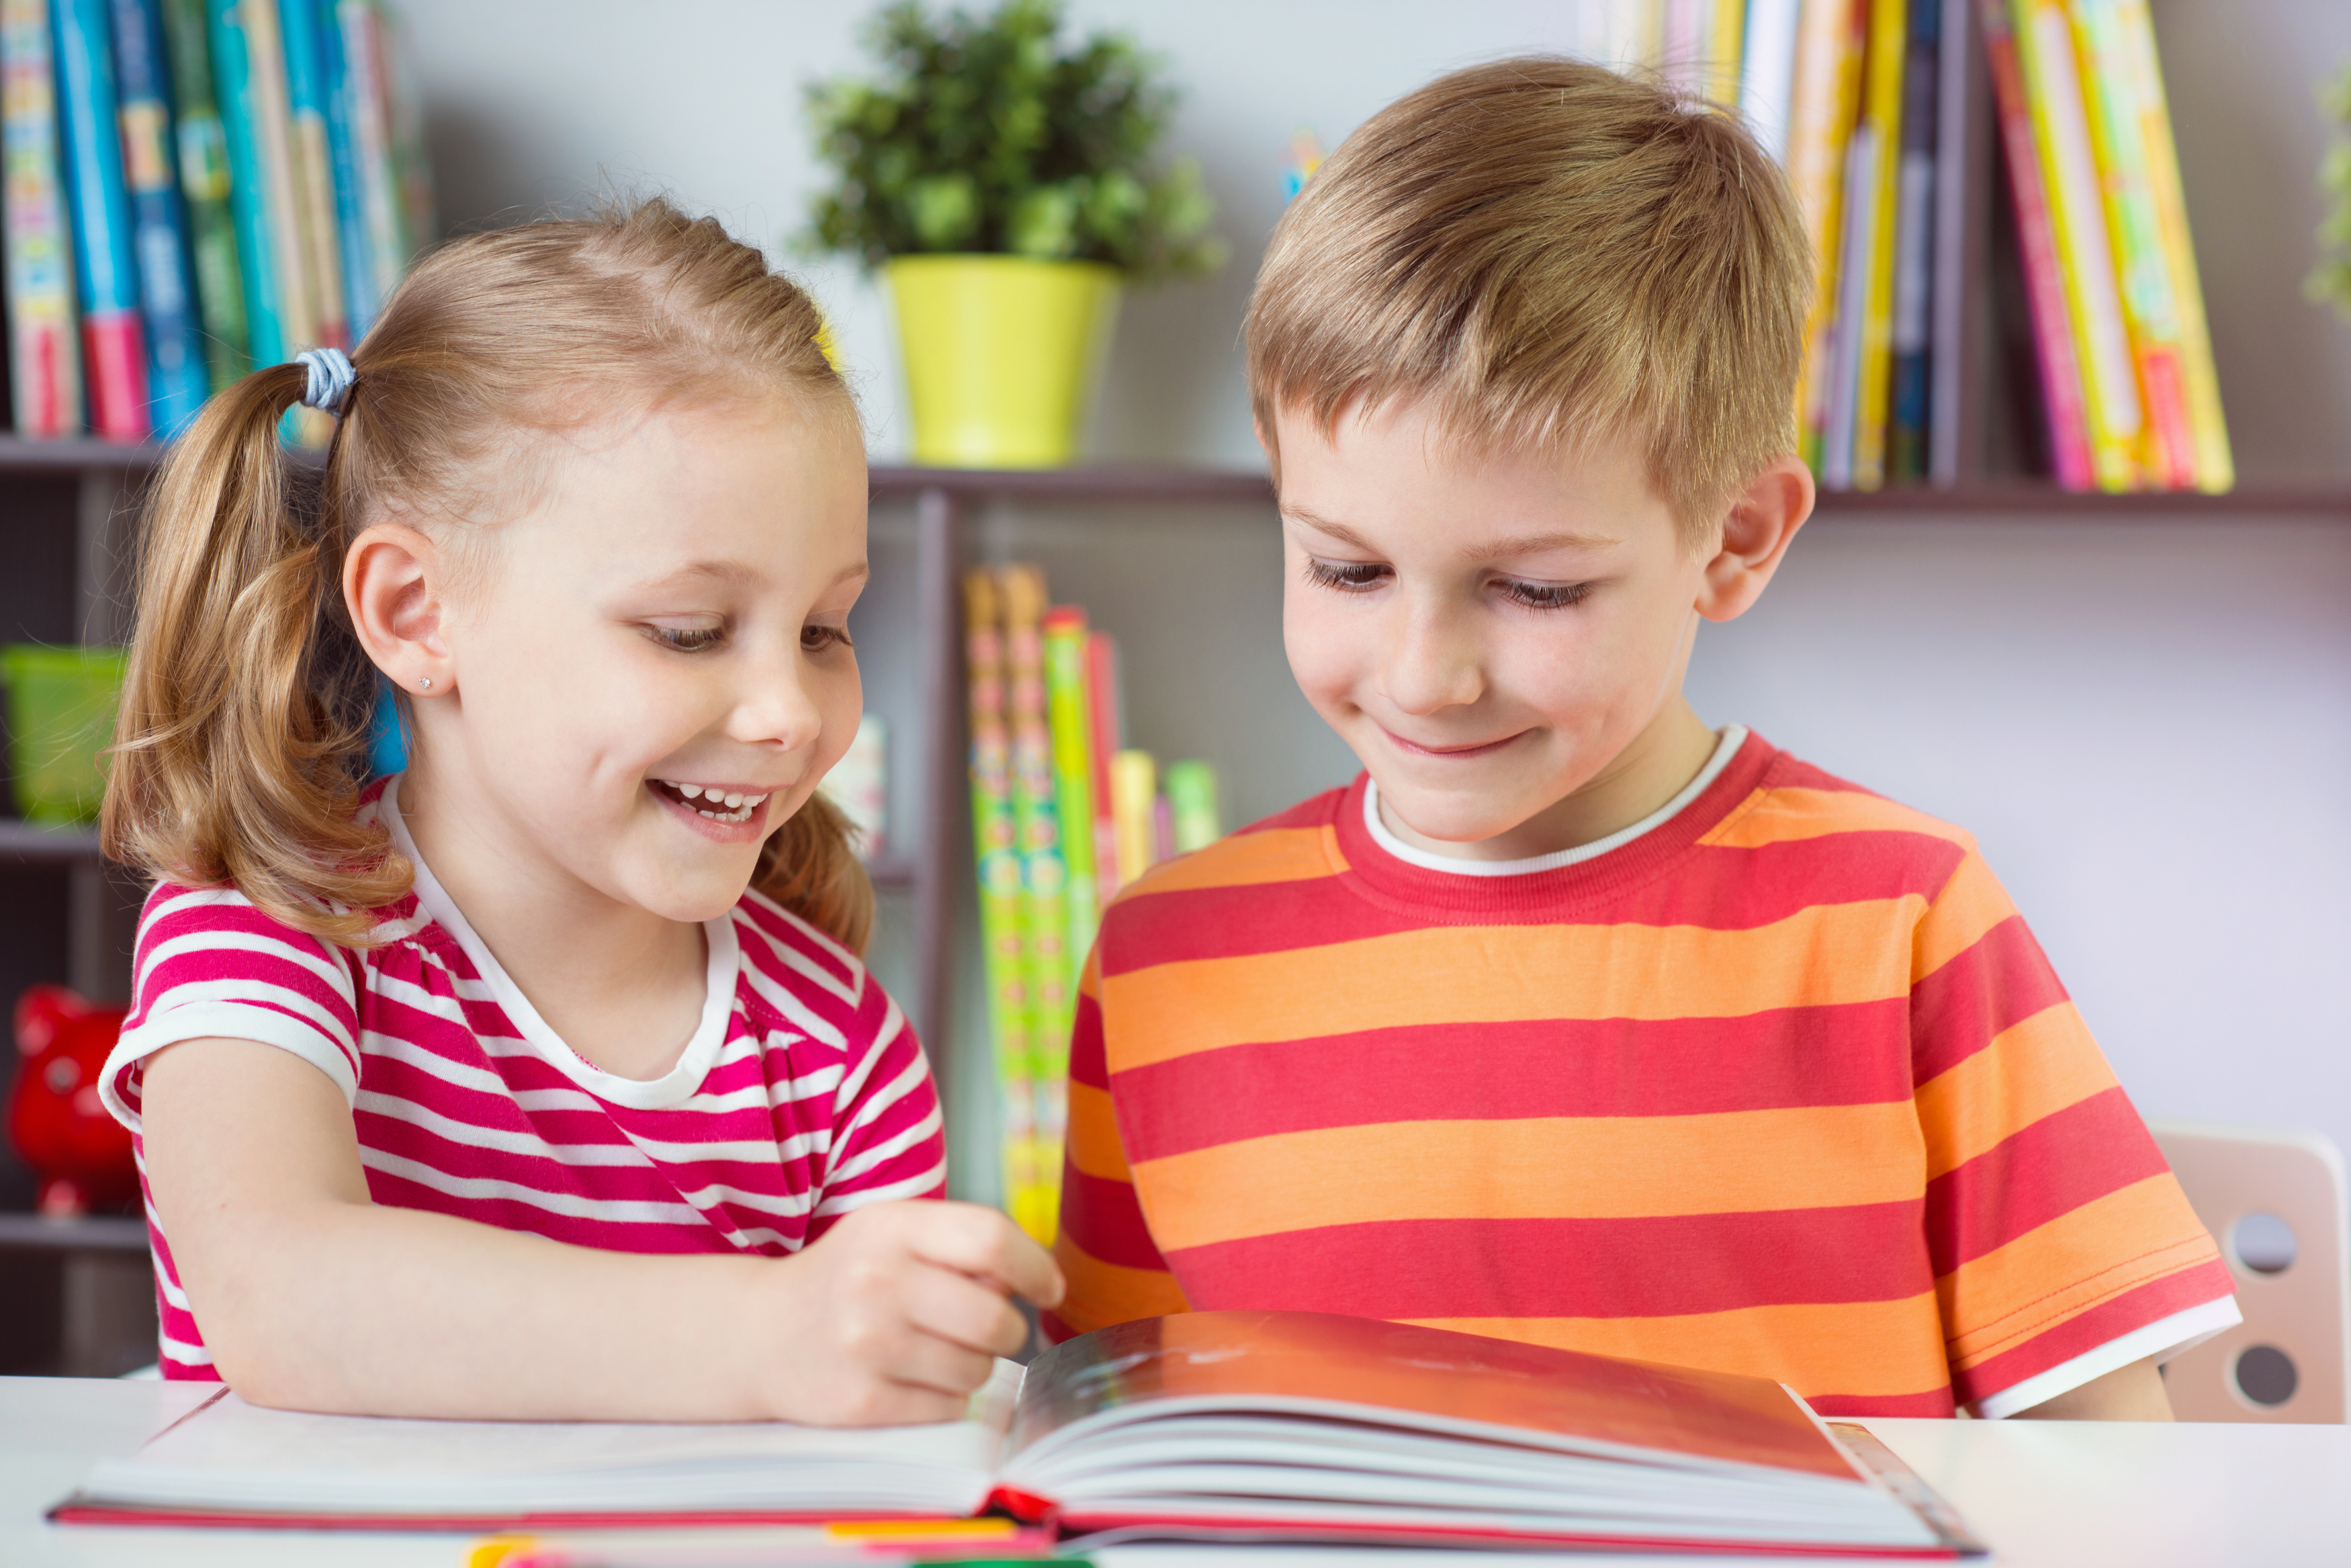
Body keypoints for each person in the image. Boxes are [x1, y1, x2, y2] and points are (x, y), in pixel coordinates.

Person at [1047, 60, 2236, 1420]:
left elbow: (2111, 1473)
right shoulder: (1162, 958)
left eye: (1534, 589)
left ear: (1731, 542)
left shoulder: (1903, 919)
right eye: (1347, 571)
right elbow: (1116, 1446)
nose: (1424, 678)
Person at [98, 201, 1061, 1423]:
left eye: (824, 629)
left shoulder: (842, 1053)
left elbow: (875, 1454)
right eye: (689, 631)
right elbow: (279, 1297)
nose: (787, 712)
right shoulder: (269, 931)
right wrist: (768, 1337)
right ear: (414, 614)